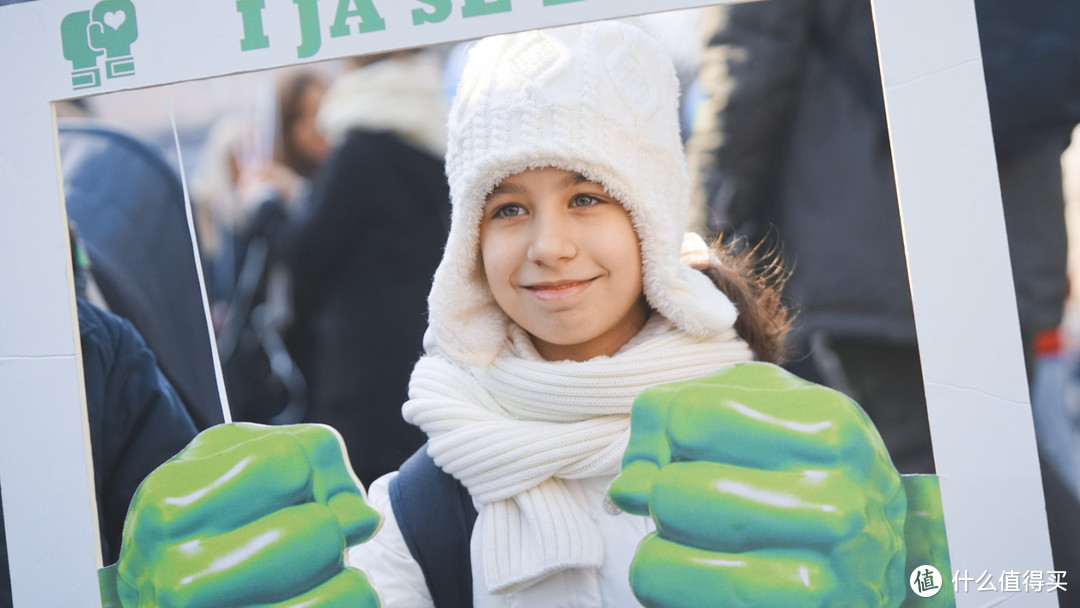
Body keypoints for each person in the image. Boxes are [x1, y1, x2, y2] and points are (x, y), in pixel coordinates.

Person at [108, 22, 947, 608]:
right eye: (507, 208)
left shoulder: (785, 438)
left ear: (651, 214)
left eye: (587, 196)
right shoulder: (422, 501)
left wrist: (914, 578)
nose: (548, 245)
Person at [282, 49, 451, 486]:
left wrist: (269, 209)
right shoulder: (437, 136)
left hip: (366, 373)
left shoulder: (360, 152)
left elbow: (305, 252)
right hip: (433, 354)